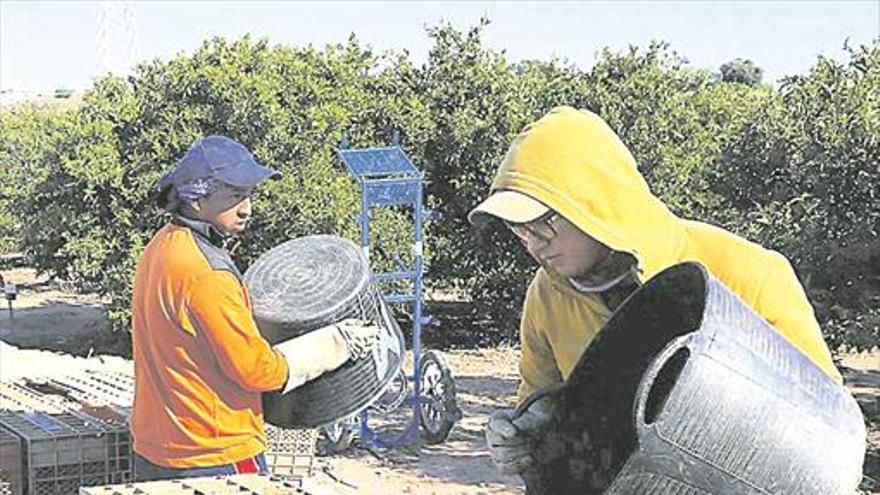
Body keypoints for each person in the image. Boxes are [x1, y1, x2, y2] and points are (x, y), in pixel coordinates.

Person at [468, 107, 842, 478]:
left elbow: (828, 431)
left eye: (542, 223)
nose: (532, 243)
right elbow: (544, 401)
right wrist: (526, 435)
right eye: (518, 229)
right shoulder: (547, 295)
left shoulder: (748, 272)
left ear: (598, 203)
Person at [130, 135, 378, 480]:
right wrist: (333, 345)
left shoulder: (160, 247)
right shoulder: (207, 273)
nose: (247, 208)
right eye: (233, 196)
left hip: (156, 450)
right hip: (214, 454)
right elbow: (256, 370)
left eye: (249, 195)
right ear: (197, 200)